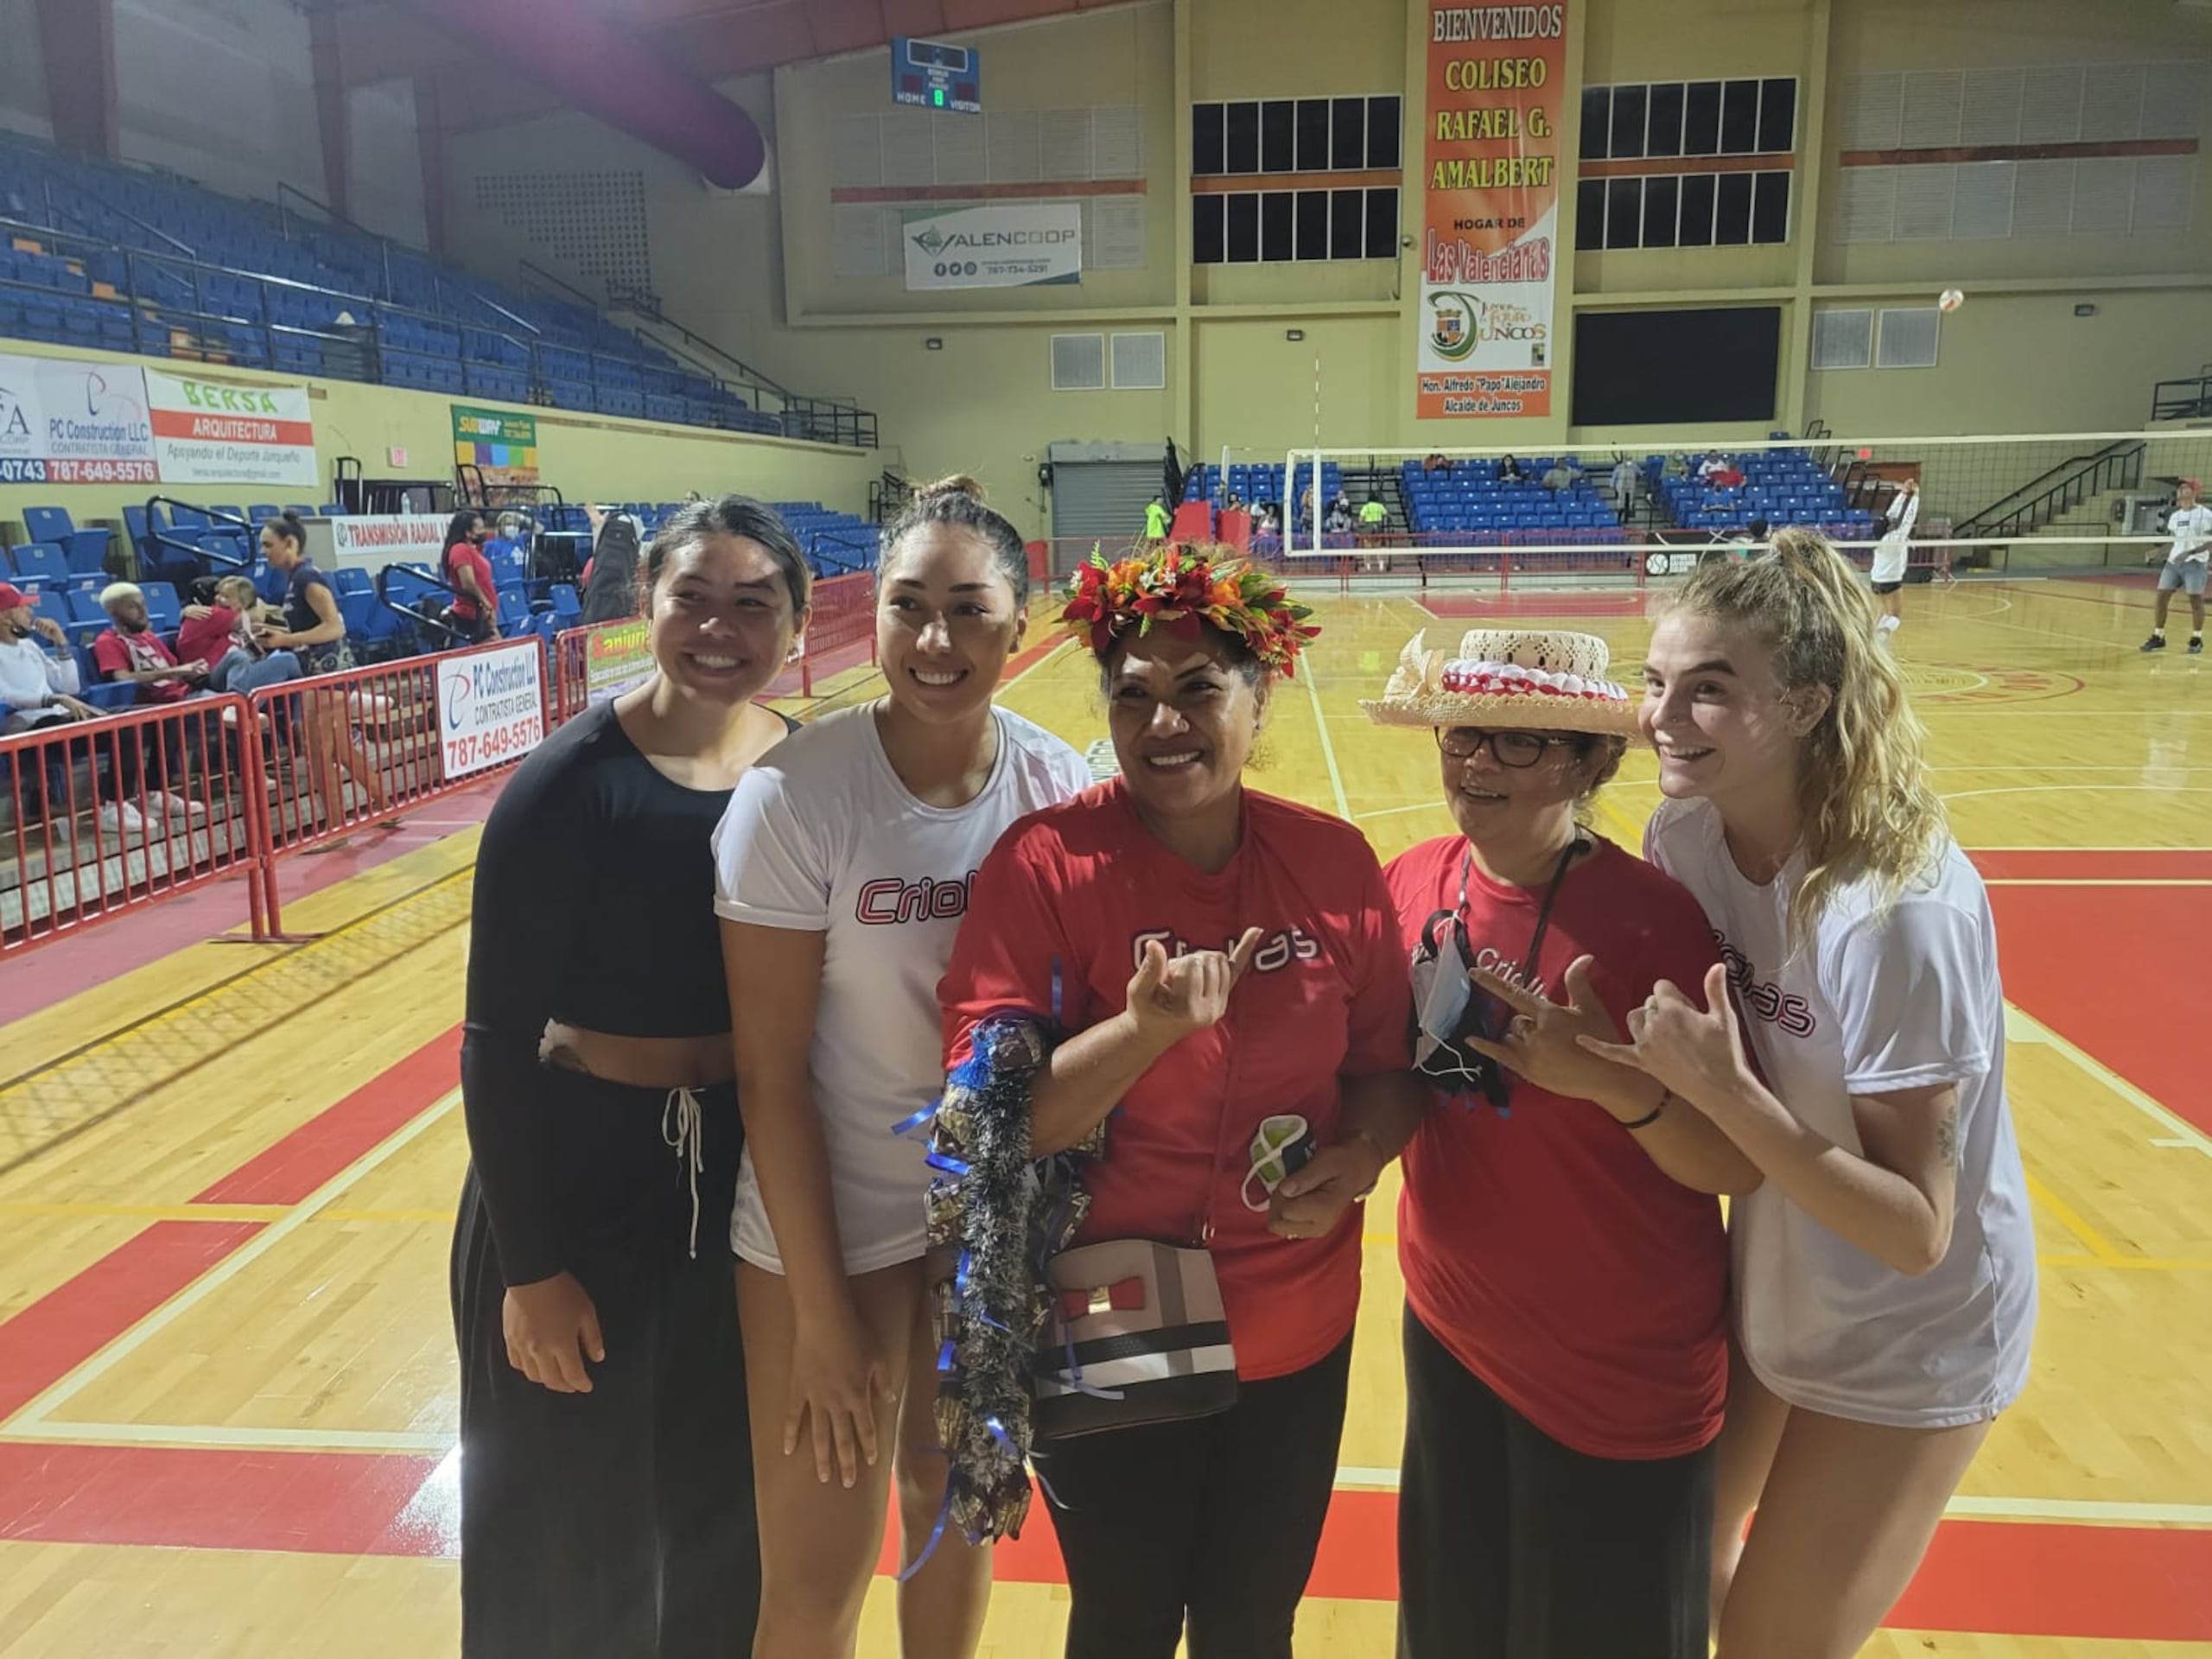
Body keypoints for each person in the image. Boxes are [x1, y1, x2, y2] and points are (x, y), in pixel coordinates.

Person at [938, 543, 1421, 1659]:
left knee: (1254, 1622)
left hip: (1297, 1327)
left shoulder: (1335, 864)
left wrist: (1362, 1157)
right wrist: (1144, 1032)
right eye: (1134, 694)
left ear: (1261, 700)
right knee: (1125, 1621)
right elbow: (996, 1131)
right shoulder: (1048, 865)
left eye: (1200, 688)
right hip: (1113, 1315)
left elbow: (1387, 1075)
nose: (1166, 722)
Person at [1586, 528, 2037, 1658]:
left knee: (1770, 1643)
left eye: (1711, 691)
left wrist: (1728, 1098)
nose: (1663, 717)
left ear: (1804, 705)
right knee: (1655, 1565)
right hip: (1782, 1274)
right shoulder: (1685, 835)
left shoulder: (1893, 910)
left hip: (1913, 1333)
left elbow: (1915, 1228)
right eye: (1656, 684)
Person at [713, 476, 1088, 1659]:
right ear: (865, 618)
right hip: (827, 1227)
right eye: (908, 607)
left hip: (976, 1228)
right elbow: (768, 1077)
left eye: (970, 609)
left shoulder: (1060, 790)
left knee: (949, 1516)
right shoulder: (793, 798)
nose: (937, 641)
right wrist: (822, 1318)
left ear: (1021, 625)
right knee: (817, 1584)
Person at [452, 494, 811, 1659]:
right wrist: (532, 1269)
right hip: (578, 1185)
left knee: (724, 1509)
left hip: (740, 1190)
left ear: (795, 629)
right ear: (644, 608)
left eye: (752, 604)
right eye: (691, 599)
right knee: (566, 1522)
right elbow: (495, 1041)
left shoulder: (805, 777)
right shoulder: (569, 787)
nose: (720, 627)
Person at [1361, 627, 1756, 1658]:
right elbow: (1395, 1078)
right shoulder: (1410, 882)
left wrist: (1610, 1089)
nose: (1477, 761)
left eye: (1521, 742)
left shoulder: (1651, 926)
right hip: (1451, 1334)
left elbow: (1734, 1161)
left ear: (1592, 763)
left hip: (1618, 1368)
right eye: (1464, 733)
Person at [256, 512, 390, 826]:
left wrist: (286, 639)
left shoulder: (307, 578)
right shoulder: (294, 580)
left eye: (267, 545)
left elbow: (334, 628)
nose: (263, 552)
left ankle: (335, 827)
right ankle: (386, 805)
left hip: (328, 676)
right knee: (341, 749)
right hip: (320, 676)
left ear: (289, 543)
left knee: (318, 755)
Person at [177, 575, 302, 694]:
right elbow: (254, 616)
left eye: (226, 596)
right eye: (219, 594)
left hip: (232, 675)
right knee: (239, 656)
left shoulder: (228, 620)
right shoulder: (211, 614)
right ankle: (235, 706)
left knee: (288, 662)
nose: (218, 598)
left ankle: (297, 716)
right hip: (210, 678)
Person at [92, 582, 207, 705]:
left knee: (229, 661)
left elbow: (175, 670)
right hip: (162, 705)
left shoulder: (149, 636)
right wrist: (176, 671)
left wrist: (193, 670)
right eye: (132, 607)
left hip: (187, 692)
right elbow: (123, 678)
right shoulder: (107, 641)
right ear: (112, 612)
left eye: (143, 604)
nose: (143, 611)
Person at [2140, 477, 2211, 654]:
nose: (2180, 491)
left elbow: (2210, 541)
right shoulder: (2175, 515)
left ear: (2195, 492)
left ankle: (2196, 639)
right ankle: (2158, 636)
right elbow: (2174, 542)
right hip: (2173, 563)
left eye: (2185, 488)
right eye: (2179, 488)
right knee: (2161, 598)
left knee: (2195, 600)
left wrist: (2191, 552)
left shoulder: (2205, 514)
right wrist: (2158, 552)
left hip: (2195, 563)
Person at [1871, 478, 1919, 640]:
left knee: (1884, 614)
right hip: (1890, 581)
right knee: (1895, 617)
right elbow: (1908, 519)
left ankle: (1876, 637)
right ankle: (1880, 640)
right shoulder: (1896, 537)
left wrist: (1903, 493)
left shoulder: (1880, 539)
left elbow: (1891, 515)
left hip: (1875, 580)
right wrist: (1915, 497)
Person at [442, 508, 498, 643]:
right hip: (472, 615)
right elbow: (468, 583)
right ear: (468, 532)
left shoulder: (472, 550)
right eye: (479, 528)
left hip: (483, 615)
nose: (483, 531)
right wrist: (486, 604)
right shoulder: (459, 550)